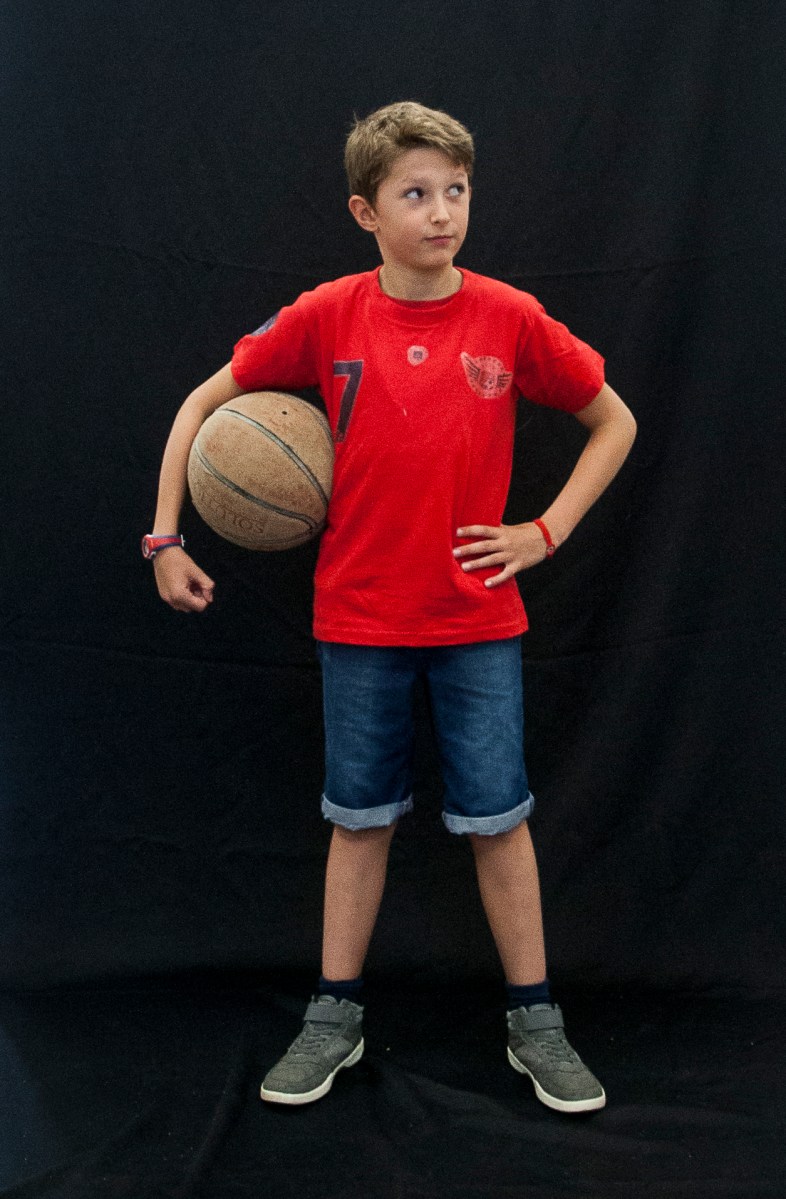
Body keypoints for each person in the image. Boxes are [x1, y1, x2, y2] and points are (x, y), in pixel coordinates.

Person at [144, 101, 636, 1114]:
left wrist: (544, 532)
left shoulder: (508, 316)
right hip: (359, 618)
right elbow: (199, 403)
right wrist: (164, 537)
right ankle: (335, 1012)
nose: (442, 211)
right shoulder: (330, 314)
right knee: (359, 819)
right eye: (416, 193)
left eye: (456, 190)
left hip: (477, 622)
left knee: (499, 820)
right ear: (366, 211)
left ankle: (535, 1018)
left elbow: (613, 420)